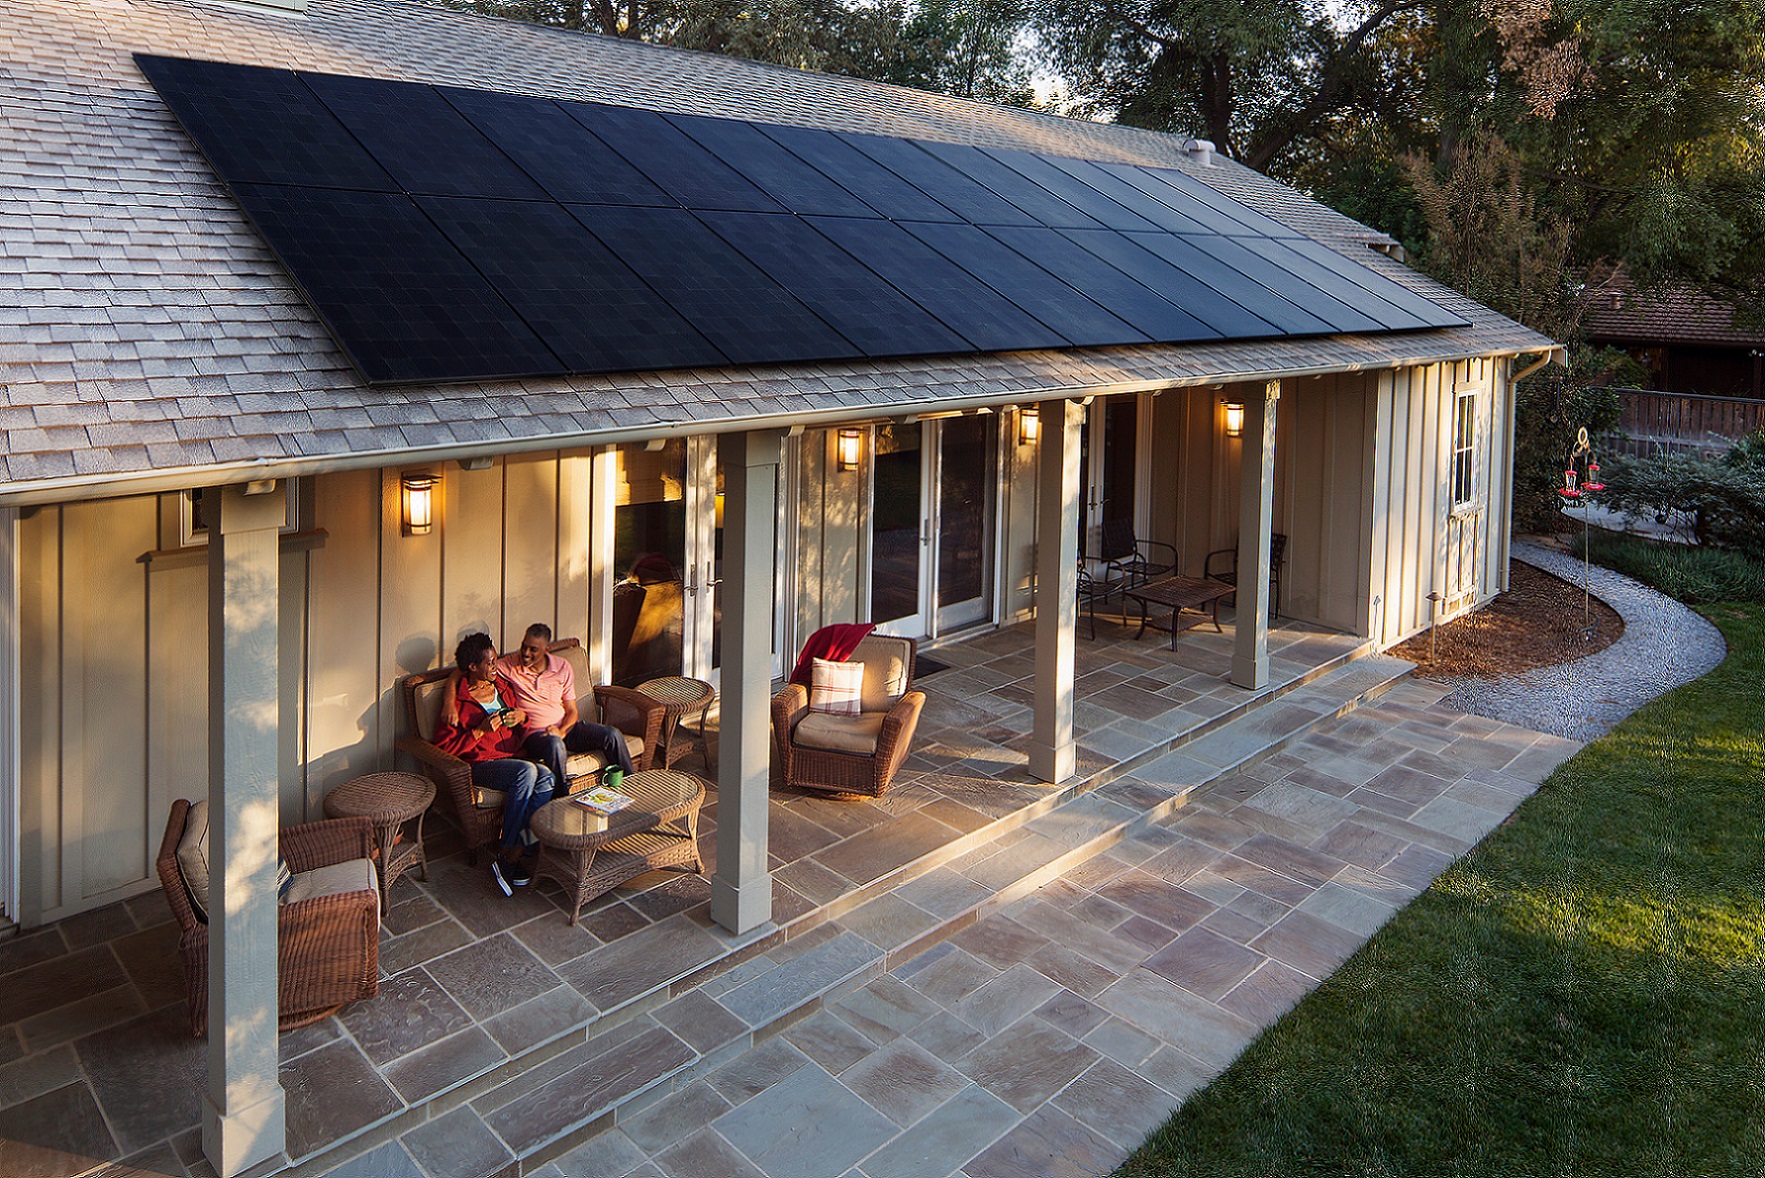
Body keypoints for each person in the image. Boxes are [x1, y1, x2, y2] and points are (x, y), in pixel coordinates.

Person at [442, 622, 635, 795]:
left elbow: (572, 711)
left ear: (547, 650)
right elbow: (462, 670)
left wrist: (561, 731)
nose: (526, 654)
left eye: (533, 650)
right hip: (535, 736)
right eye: (524, 647)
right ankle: (561, 798)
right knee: (554, 744)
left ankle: (633, 787)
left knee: (612, 734)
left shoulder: (562, 668)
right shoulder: (508, 665)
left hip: (565, 728)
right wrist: (449, 701)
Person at [433, 632, 556, 896]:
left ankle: (519, 849)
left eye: (496, 660)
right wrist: (478, 731)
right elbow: (444, 750)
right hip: (480, 765)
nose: (495, 667)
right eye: (489, 663)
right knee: (527, 772)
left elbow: (525, 718)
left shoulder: (502, 684)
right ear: (472, 667)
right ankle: (508, 853)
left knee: (546, 776)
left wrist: (520, 717)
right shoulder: (457, 704)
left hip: (512, 758)